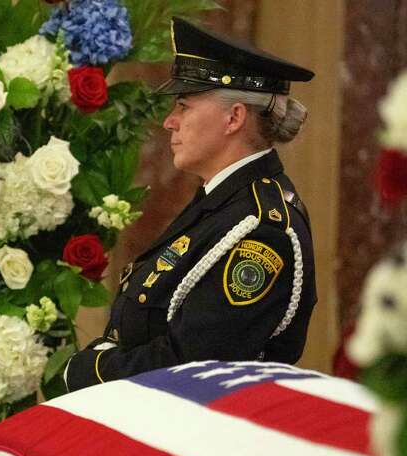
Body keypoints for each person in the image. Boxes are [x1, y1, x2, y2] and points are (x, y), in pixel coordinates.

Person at [65, 18, 317, 391]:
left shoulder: (261, 228)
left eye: (183, 106)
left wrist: (92, 369)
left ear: (234, 118)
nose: (169, 122)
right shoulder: (223, 201)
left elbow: (193, 367)